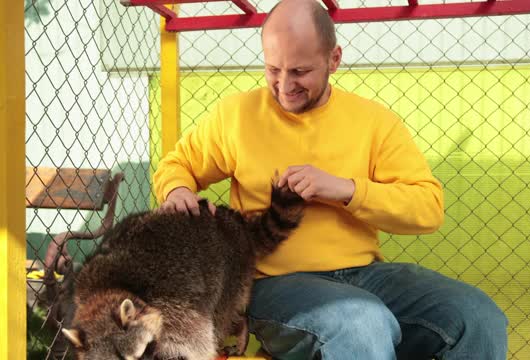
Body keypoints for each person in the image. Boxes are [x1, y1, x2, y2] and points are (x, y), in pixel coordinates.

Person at [153, 0, 508, 358]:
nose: (284, 85)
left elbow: (428, 209)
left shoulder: (374, 122)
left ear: (334, 60)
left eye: (300, 71)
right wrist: (177, 189)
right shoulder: (236, 115)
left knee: (477, 316)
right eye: (273, 69)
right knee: (361, 323)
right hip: (276, 284)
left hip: (366, 275)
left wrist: (346, 190)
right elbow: (177, 164)